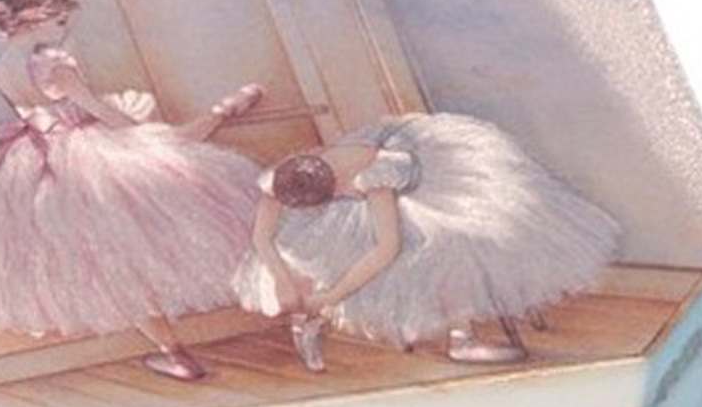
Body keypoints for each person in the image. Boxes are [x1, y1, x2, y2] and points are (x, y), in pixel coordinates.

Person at [0, 0, 263, 381]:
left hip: (39, 160)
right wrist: (141, 133)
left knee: (109, 262)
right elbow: (97, 110)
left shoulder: (1, 67)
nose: (63, 30)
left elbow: (35, 113)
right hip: (85, 152)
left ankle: (175, 354)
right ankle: (224, 111)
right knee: (168, 180)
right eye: (59, 22)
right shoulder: (53, 63)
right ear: (35, 20)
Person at [233, 112, 621, 370]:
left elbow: (386, 248)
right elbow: (262, 236)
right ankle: (307, 319)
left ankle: (461, 336)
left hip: (424, 192)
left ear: (335, 187)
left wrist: (335, 295)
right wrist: (280, 277)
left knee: (448, 245)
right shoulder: (284, 177)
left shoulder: (374, 173)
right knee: (306, 253)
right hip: (352, 212)